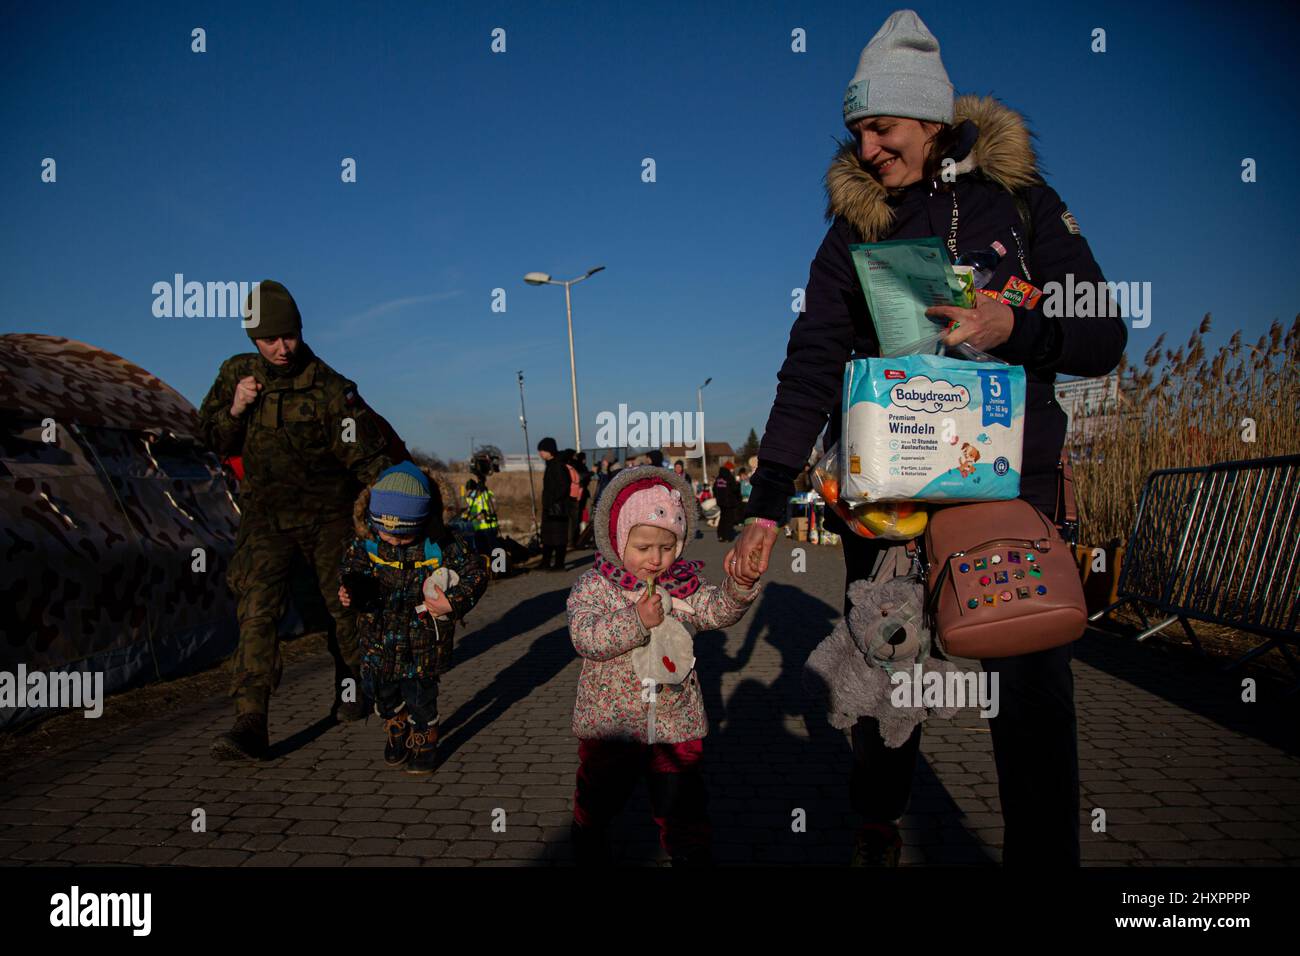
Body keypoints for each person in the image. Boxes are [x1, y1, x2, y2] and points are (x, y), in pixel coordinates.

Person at [726, 9, 1126, 867]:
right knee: (882, 683)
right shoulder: (849, 235)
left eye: (882, 128)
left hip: (1011, 498)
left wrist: (1012, 324)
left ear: (933, 119)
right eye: (856, 132)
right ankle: (878, 810)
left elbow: (1103, 335)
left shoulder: (1022, 203)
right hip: (890, 507)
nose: (867, 148)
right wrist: (764, 510)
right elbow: (808, 371)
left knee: (1031, 701)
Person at [198, 279, 399, 760]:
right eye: (270, 339)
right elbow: (212, 438)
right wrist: (235, 409)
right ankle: (251, 720)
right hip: (266, 518)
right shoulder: (237, 375)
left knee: (344, 607)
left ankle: (354, 684)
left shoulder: (331, 388)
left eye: (289, 336)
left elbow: (368, 459)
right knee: (256, 611)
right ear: (253, 339)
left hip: (328, 517)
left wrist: (393, 510)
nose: (282, 348)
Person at [566, 466, 762, 865]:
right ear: (620, 540)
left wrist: (739, 587)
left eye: (667, 547)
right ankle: (588, 832)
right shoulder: (595, 587)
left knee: (682, 804)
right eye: (643, 548)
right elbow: (586, 637)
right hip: (613, 724)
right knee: (600, 794)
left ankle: (689, 852)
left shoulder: (683, 585)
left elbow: (715, 610)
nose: (656, 560)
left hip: (676, 722)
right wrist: (636, 620)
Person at [338, 462, 488, 773]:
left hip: (422, 641)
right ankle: (395, 725)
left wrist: (453, 602)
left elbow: (476, 573)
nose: (392, 540)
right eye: (385, 532)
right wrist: (349, 593)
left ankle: (425, 738)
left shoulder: (441, 544)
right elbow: (351, 571)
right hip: (377, 639)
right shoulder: (365, 542)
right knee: (382, 693)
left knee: (421, 696)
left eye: (402, 536)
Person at [538, 437, 570, 571]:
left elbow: (564, 486)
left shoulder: (558, 465)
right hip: (549, 508)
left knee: (558, 537)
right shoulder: (551, 464)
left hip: (557, 508)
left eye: (542, 450)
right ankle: (545, 562)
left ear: (549, 451)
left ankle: (559, 564)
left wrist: (552, 500)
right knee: (547, 536)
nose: (540, 453)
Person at [462, 477, 499, 559]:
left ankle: (499, 567)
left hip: (489, 527)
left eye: (470, 490)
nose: (469, 492)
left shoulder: (485, 494)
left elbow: (495, 507)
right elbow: (468, 512)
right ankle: (490, 568)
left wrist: (487, 513)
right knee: (483, 550)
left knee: (492, 549)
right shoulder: (469, 499)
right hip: (478, 529)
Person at [711, 462, 743, 542]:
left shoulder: (718, 478)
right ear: (729, 469)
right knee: (729, 519)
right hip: (729, 502)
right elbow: (734, 489)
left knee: (722, 518)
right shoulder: (730, 477)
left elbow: (714, 489)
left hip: (721, 502)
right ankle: (728, 536)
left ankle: (721, 535)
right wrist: (738, 484)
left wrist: (717, 497)